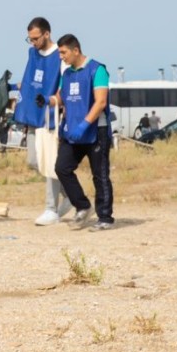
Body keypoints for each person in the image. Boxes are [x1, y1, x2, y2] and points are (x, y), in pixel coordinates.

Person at [10, 16, 70, 225]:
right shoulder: (32, 53)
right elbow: (30, 80)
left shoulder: (60, 55)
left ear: (47, 34)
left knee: (49, 160)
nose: (33, 43)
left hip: (51, 116)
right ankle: (70, 193)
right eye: (30, 39)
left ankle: (50, 209)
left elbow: (65, 84)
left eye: (36, 38)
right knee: (34, 161)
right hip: (34, 116)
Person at [50, 34, 114, 230]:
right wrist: (47, 100)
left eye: (63, 52)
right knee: (62, 168)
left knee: (100, 174)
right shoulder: (67, 74)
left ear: (75, 50)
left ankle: (105, 217)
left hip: (96, 131)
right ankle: (83, 206)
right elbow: (61, 98)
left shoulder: (97, 70)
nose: (61, 56)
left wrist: (85, 124)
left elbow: (101, 101)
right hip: (72, 132)